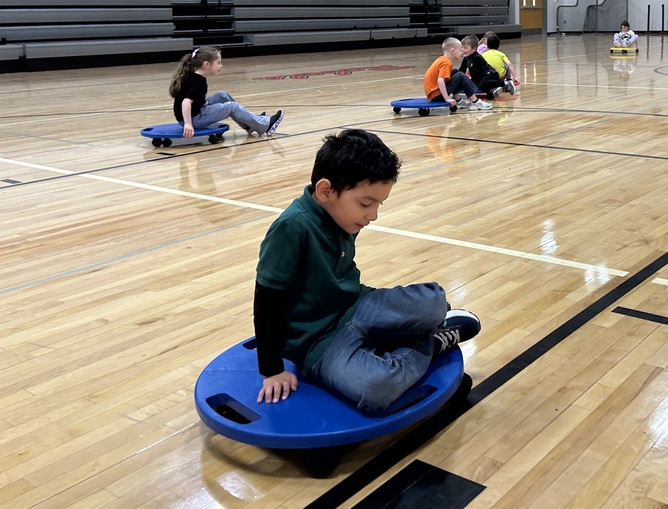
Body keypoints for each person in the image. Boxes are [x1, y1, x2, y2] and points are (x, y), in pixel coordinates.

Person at [253, 129, 482, 413]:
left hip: (359, 306)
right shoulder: (292, 228)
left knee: (435, 302)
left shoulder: (342, 215)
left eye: (378, 204)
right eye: (365, 203)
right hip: (320, 342)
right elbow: (266, 302)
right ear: (325, 191)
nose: (373, 215)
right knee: (378, 389)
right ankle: (432, 342)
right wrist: (272, 369)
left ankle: (409, 331)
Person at [170, 46, 283, 137]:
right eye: (218, 63)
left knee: (222, 95)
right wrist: (188, 124)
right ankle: (265, 126)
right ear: (207, 65)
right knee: (232, 107)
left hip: (194, 113)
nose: (221, 65)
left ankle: (249, 125)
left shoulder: (194, 76)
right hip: (194, 119)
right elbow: (185, 103)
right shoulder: (199, 82)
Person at [424, 37, 493, 110]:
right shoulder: (446, 62)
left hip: (433, 94)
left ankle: (458, 100)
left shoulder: (442, 59)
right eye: (460, 50)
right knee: (460, 75)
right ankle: (475, 101)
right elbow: (440, 80)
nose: (462, 52)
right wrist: (447, 99)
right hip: (437, 95)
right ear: (453, 51)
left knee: (455, 72)